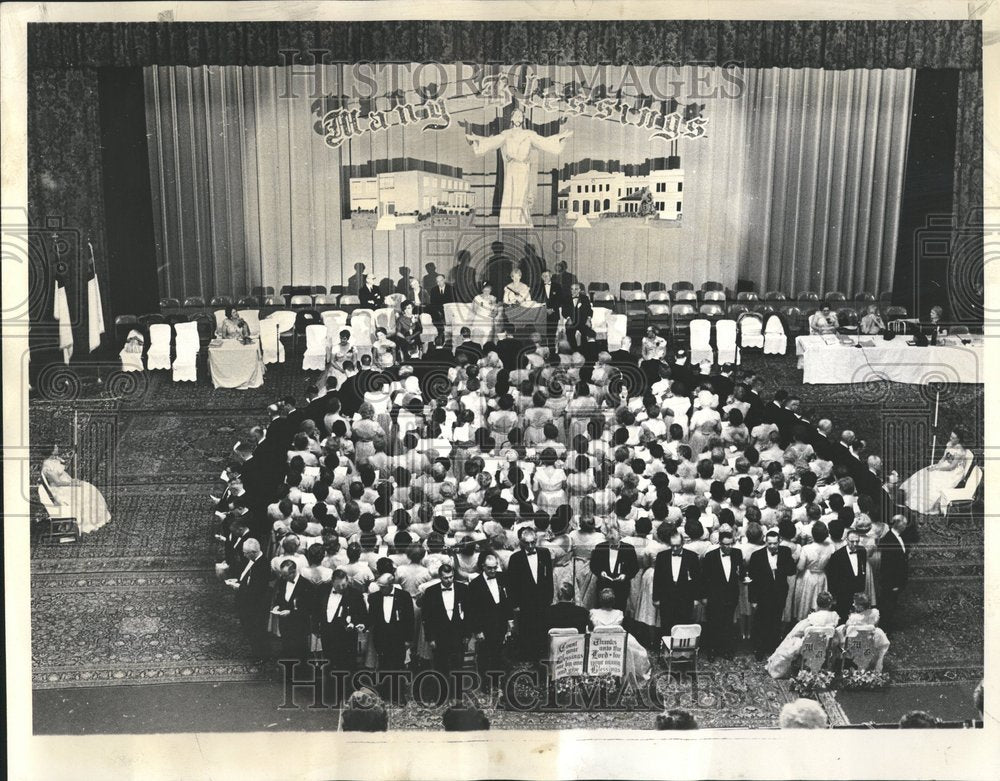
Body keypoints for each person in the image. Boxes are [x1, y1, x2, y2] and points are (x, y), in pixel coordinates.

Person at [464, 107, 572, 228]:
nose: (518, 118)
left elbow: (544, 142)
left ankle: (521, 222)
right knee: (509, 193)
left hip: (523, 168)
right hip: (511, 168)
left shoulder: (529, 134)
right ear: (512, 118)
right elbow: (491, 142)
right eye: (516, 116)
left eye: (520, 116)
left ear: (523, 119)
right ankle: (508, 222)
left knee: (521, 195)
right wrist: (476, 140)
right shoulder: (506, 134)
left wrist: (560, 137)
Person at [313, 569, 368, 698]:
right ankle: (331, 693)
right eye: (338, 586)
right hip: (327, 634)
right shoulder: (322, 590)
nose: (341, 588)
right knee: (330, 663)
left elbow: (363, 616)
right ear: (332, 582)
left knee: (347, 664)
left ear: (347, 581)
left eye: (344, 585)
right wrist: (316, 629)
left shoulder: (355, 594)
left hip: (346, 637)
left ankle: (347, 693)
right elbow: (316, 610)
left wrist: (355, 624)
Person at [467, 552, 515, 691]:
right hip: (485, 626)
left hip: (500, 624)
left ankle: (497, 683)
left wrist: (510, 621)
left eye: (495, 567)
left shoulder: (502, 578)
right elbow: (472, 610)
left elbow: (507, 600)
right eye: (490, 568)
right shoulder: (475, 584)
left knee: (499, 654)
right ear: (483, 567)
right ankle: (485, 684)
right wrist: (477, 631)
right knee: (484, 655)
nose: (493, 571)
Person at [765, 591, 840, 679]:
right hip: (826, 646)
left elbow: (797, 631)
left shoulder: (812, 618)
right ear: (830, 605)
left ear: (817, 604)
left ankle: (778, 667)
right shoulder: (834, 616)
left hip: (810, 646)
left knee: (791, 639)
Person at [421, 563, 470, 697]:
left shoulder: (463, 589)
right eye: (445, 578)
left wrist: (467, 634)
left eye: (451, 577)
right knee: (440, 665)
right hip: (439, 635)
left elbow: (469, 613)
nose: (448, 580)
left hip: (458, 634)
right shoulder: (431, 592)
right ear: (440, 577)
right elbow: (427, 617)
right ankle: (442, 693)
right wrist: (430, 638)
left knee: (458, 665)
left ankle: (457, 694)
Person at [747, 530, 797, 660]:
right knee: (761, 622)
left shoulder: (785, 552)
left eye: (775, 543)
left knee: (776, 621)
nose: (773, 546)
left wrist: (778, 567)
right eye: (770, 544)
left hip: (779, 593)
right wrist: (753, 599)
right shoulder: (757, 555)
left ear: (779, 541)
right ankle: (760, 649)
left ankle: (772, 647)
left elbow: (792, 570)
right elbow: (752, 579)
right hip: (763, 594)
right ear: (765, 542)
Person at [40, 446, 111, 534]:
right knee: (84, 493)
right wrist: (72, 484)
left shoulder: (54, 460)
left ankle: (97, 519)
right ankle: (85, 523)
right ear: (50, 450)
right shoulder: (48, 465)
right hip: (60, 489)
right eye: (55, 447)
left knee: (89, 488)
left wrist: (73, 481)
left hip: (65, 485)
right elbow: (58, 482)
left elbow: (63, 475)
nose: (57, 448)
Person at [898, 429, 970, 515]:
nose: (951, 439)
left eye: (953, 438)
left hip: (954, 471)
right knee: (925, 473)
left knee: (933, 481)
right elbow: (944, 458)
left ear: (959, 439)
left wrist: (938, 469)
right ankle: (906, 497)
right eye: (951, 436)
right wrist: (937, 466)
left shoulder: (960, 450)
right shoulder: (949, 444)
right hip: (945, 465)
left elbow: (952, 467)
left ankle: (927, 506)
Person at [367, 573, 415, 699]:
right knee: (383, 665)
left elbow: (410, 619)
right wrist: (363, 625)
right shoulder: (374, 598)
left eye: (383, 587)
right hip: (381, 638)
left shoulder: (404, 596)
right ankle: (384, 694)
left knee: (398, 666)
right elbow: (371, 618)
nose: (381, 589)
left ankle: (399, 695)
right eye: (380, 586)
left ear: (391, 585)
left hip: (398, 639)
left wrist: (409, 639)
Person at [589, 587, 651, 681]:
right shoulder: (619, 613)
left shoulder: (593, 613)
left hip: (599, 643)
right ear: (613, 601)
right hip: (616, 643)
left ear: (600, 601)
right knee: (637, 650)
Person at [700, 529, 744, 658]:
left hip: (731, 595)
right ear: (720, 544)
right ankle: (712, 650)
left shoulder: (737, 553)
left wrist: (743, 577)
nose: (729, 547)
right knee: (713, 623)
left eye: (731, 544)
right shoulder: (710, 556)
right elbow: (704, 578)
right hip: (714, 596)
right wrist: (703, 596)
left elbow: (740, 572)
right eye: (726, 544)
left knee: (728, 623)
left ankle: (727, 649)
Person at [227, 538, 272, 662]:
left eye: (246, 553)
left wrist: (239, 587)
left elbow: (256, 589)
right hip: (250, 602)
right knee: (252, 630)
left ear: (253, 552)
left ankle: (261, 655)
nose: (244, 555)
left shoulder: (262, 565)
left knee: (257, 630)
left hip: (256, 605)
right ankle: (257, 653)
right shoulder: (255, 561)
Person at [652, 529, 701, 634]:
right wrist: (656, 598)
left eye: (677, 546)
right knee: (666, 624)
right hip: (667, 597)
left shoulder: (692, 557)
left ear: (682, 543)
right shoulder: (662, 556)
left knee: (683, 625)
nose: (674, 549)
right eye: (672, 546)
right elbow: (657, 579)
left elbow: (696, 579)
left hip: (685, 597)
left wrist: (696, 598)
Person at [271, 560, 316, 666]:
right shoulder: (283, 581)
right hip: (285, 624)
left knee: (300, 654)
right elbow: (280, 597)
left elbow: (309, 608)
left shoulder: (306, 585)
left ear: (294, 571)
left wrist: (291, 612)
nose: (283, 577)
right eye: (282, 575)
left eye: (286, 575)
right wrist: (277, 606)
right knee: (286, 650)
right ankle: (288, 675)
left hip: (299, 626)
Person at [589, 522, 639, 613]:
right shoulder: (600, 547)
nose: (612, 542)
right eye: (610, 540)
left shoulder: (629, 549)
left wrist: (625, 575)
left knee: (620, 611)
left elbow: (634, 567)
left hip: (621, 587)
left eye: (614, 539)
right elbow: (593, 565)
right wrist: (600, 573)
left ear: (620, 536)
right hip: (603, 586)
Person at [836, 593, 890, 673]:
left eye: (855, 603)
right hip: (869, 642)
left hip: (854, 644)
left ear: (860, 607)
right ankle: (872, 666)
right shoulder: (874, 614)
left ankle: (839, 661)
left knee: (838, 634)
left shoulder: (853, 618)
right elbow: (875, 625)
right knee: (879, 634)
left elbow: (845, 630)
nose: (853, 604)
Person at [825, 529, 869, 622]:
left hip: (858, 591)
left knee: (859, 619)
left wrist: (861, 588)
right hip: (844, 593)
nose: (855, 544)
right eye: (852, 541)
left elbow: (862, 570)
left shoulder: (862, 551)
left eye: (857, 541)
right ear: (846, 540)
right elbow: (833, 578)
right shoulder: (837, 556)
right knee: (843, 618)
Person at [877, 514, 909, 630]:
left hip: (897, 578)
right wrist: (894, 584)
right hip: (892, 581)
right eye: (904, 524)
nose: (906, 526)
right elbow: (888, 567)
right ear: (898, 525)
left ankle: (888, 623)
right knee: (888, 604)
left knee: (892, 603)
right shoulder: (889, 541)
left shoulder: (896, 536)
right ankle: (885, 627)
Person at [562, 283, 596, 352]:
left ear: (579, 290)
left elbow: (589, 310)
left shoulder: (585, 298)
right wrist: (568, 318)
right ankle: (573, 351)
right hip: (572, 320)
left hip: (583, 321)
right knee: (569, 333)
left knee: (586, 334)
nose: (574, 291)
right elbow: (564, 311)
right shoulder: (566, 298)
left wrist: (588, 319)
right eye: (572, 289)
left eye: (576, 289)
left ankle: (584, 351)